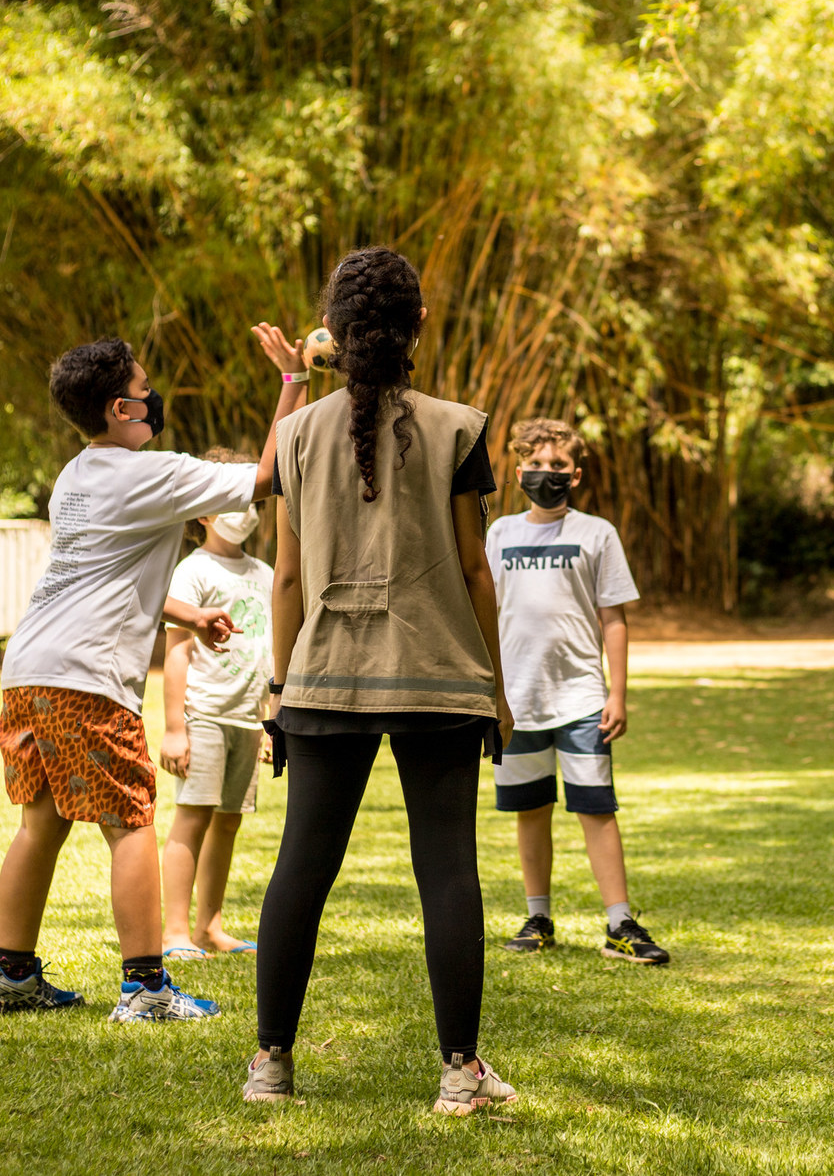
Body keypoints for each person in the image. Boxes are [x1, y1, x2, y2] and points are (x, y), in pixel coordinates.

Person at [0, 327, 310, 1024]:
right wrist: (292, 382)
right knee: (131, 823)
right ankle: (147, 986)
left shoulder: (75, 476)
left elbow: (101, 576)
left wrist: (187, 611)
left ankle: (10, 973)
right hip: (87, 680)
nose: (155, 400)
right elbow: (267, 478)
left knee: (43, 822)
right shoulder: (152, 472)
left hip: (29, 674)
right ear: (122, 408)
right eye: (148, 391)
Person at [246, 246, 518, 1116]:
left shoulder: (293, 433)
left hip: (321, 677)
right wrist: (498, 691)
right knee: (447, 871)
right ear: (421, 326)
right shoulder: (459, 427)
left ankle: (270, 1066)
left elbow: (284, 576)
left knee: (300, 870)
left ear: (337, 326)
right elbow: (477, 571)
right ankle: (458, 1073)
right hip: (440, 678)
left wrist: (280, 690)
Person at [487, 418, 667, 966]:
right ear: (518, 473)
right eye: (537, 466)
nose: (547, 474)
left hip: (583, 698)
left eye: (558, 466)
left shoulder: (597, 533)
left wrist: (617, 694)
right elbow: (484, 616)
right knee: (531, 810)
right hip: (517, 702)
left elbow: (613, 619)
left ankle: (620, 922)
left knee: (596, 809)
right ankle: (538, 917)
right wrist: (491, 696)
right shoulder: (500, 534)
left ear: (577, 474)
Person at [159, 448, 274, 961]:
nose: (244, 510)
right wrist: (174, 728)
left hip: (247, 720)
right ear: (202, 510)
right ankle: (175, 933)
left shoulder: (267, 574)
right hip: (202, 714)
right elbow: (177, 653)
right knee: (193, 817)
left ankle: (211, 926)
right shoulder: (191, 572)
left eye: (251, 500)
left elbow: (272, 655)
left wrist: (270, 724)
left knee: (228, 821)